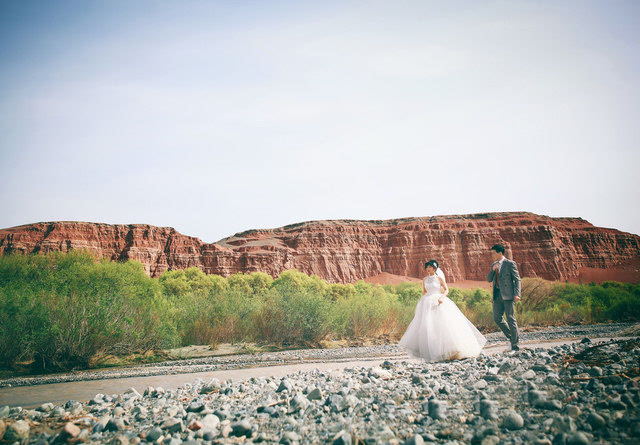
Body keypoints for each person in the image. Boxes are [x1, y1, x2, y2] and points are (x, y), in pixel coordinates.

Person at [399, 260, 486, 361]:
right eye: (427, 267)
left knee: (444, 325)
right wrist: (424, 302)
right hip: (428, 303)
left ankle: (450, 350)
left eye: (430, 267)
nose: (428, 269)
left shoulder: (439, 278)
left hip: (439, 301)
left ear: (434, 268)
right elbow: (424, 291)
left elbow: (446, 289)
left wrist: (441, 298)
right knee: (429, 326)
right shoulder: (424, 279)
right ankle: (434, 353)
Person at [487, 244, 521, 351]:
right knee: (497, 318)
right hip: (497, 296)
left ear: (500, 253)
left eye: (493, 253)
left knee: (510, 318)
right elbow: (489, 279)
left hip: (508, 295)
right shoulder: (494, 264)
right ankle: (512, 338)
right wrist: (493, 270)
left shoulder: (510, 264)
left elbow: (517, 279)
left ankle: (515, 345)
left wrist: (517, 294)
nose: (492, 255)